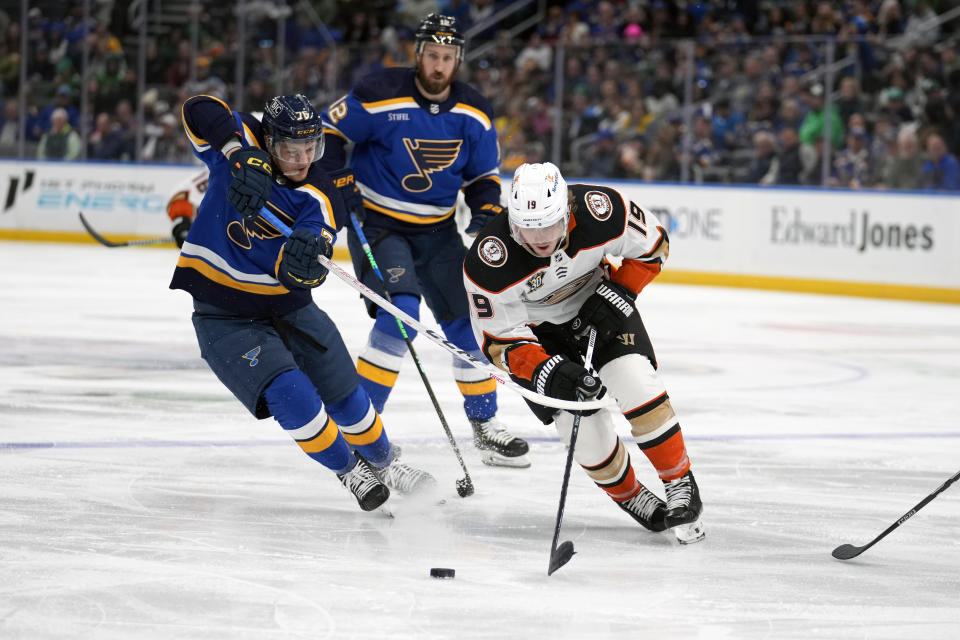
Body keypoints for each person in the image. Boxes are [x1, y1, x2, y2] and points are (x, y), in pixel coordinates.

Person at [169, 92, 435, 512]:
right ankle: (349, 470)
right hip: (225, 316)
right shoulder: (243, 143)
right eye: (291, 149)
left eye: (310, 148)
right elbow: (198, 107)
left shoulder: (319, 191)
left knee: (347, 396)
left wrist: (308, 256)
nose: (302, 159)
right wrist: (239, 155)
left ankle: (385, 461)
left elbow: (319, 236)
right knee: (291, 394)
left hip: (288, 307)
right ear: (269, 141)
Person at [319, 13, 530, 468]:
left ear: (458, 60)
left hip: (438, 232)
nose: (439, 65)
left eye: (447, 57)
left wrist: (488, 210)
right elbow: (328, 132)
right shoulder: (379, 91)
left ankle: (485, 425)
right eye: (432, 56)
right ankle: (362, 427)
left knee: (470, 323)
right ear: (418, 55)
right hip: (379, 225)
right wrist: (337, 176)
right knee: (403, 316)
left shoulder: (474, 110)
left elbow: (482, 177)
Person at [462, 162, 705, 544]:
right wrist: (549, 371)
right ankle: (631, 496)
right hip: (539, 337)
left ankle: (679, 482)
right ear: (512, 220)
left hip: (600, 306)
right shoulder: (490, 259)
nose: (539, 238)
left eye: (548, 225)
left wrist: (620, 292)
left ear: (567, 211)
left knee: (637, 383)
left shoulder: (600, 209)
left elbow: (655, 246)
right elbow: (499, 341)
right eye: (528, 227)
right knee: (582, 429)